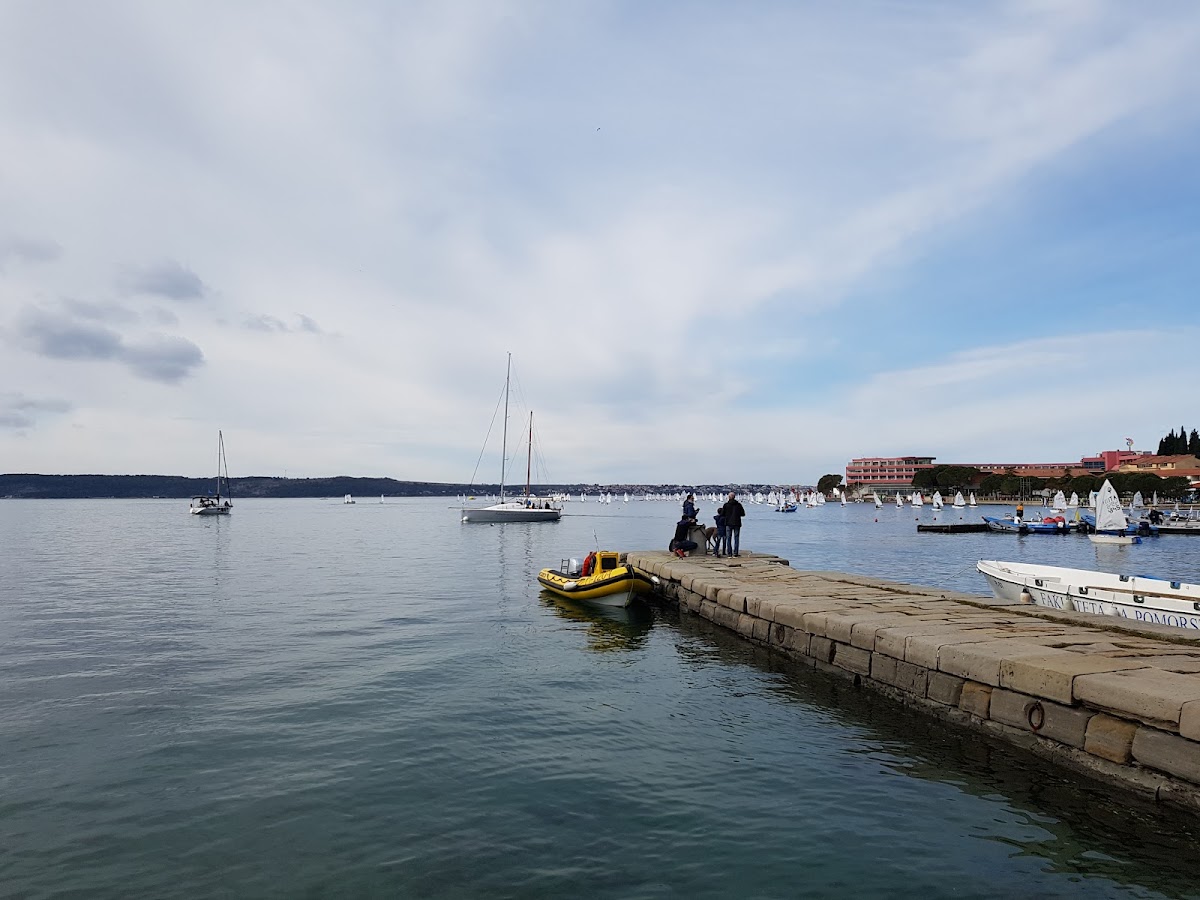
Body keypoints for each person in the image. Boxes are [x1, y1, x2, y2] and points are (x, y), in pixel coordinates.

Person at [720, 491, 746, 556]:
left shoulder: (726, 505)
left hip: (728, 523)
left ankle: (729, 552)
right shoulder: (739, 505)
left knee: (728, 538)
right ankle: (736, 552)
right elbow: (743, 514)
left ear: (729, 497)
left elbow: (722, 514)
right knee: (736, 538)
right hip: (737, 523)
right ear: (734, 497)